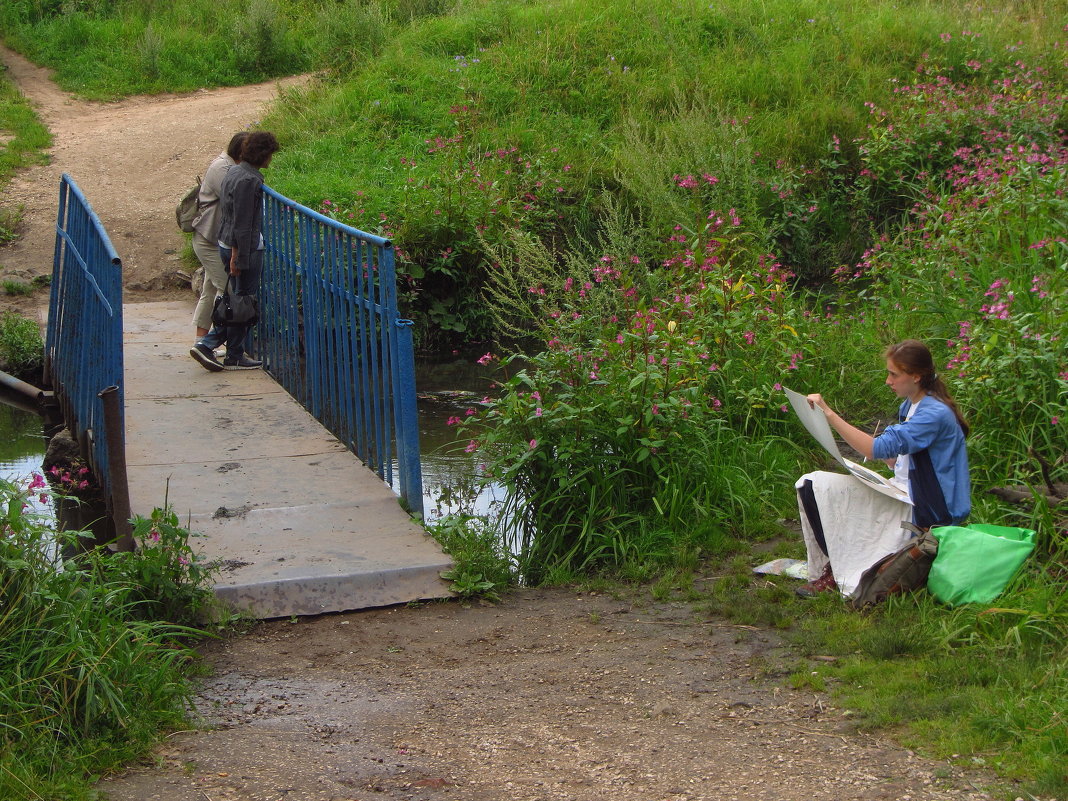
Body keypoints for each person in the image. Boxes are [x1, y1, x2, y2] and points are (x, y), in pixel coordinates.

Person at [794, 339, 970, 598]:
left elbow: (874, 449)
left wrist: (828, 414)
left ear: (917, 376)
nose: (888, 381)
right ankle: (838, 565)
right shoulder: (911, 404)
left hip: (931, 511)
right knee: (812, 486)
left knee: (814, 484)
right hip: (909, 492)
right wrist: (896, 461)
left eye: (894, 374)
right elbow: (917, 457)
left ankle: (837, 570)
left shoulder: (934, 413)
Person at [190, 131, 280, 372]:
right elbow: (242, 223)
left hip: (225, 243)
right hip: (243, 249)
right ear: (264, 154)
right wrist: (238, 257)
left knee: (240, 301)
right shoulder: (249, 180)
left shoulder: (233, 172)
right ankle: (207, 345)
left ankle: (235, 354)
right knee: (242, 304)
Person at [190, 132, 248, 353]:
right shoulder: (222, 168)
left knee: (210, 289)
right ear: (242, 151)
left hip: (212, 238)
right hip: (209, 240)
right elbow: (234, 199)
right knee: (228, 290)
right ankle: (212, 343)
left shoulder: (228, 165)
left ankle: (201, 339)